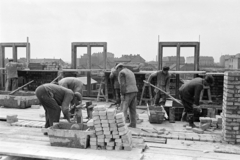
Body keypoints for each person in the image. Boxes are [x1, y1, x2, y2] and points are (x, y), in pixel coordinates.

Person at [116, 63, 138, 128]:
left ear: (119, 68)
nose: (117, 71)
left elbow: (122, 84)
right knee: (132, 109)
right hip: (134, 91)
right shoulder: (130, 71)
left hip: (127, 92)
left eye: (117, 70)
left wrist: (122, 94)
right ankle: (133, 124)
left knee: (123, 109)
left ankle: (122, 126)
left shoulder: (122, 73)